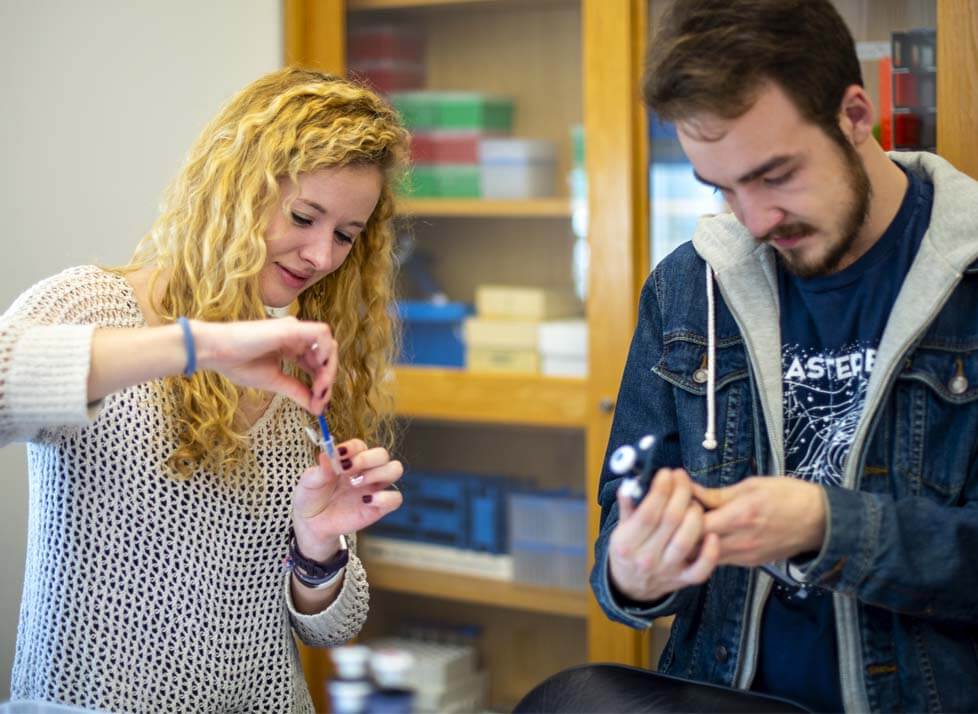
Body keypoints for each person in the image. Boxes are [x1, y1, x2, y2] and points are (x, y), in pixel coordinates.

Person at [591, 1, 978, 712]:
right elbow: (622, 525)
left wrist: (828, 527)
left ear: (855, 115)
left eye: (775, 176)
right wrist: (634, 571)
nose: (754, 220)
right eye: (722, 188)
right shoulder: (687, 286)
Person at [2, 67, 410, 713]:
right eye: (304, 216)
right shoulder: (88, 306)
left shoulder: (306, 368)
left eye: (345, 235)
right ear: (236, 188)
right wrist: (200, 344)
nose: (321, 256)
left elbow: (329, 627)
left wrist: (318, 549)